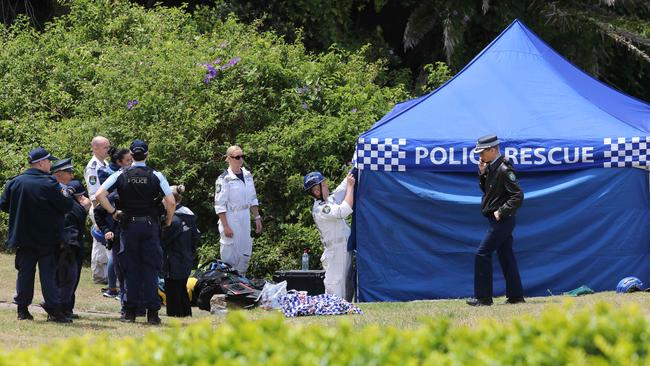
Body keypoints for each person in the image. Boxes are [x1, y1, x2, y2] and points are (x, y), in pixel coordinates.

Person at [95, 139, 175, 325]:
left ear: (131, 155)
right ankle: (152, 314)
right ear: (147, 155)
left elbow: (99, 195)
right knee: (151, 269)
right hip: (150, 227)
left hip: (128, 227)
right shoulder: (156, 175)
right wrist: (168, 220)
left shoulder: (121, 174)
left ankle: (130, 312)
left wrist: (114, 212)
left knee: (130, 269)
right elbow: (171, 202)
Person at [0, 148, 73, 322]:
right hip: (47, 237)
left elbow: (3, 205)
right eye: (48, 162)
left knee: (25, 272)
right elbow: (66, 206)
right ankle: (53, 308)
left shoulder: (15, 182)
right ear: (41, 163)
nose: (50, 165)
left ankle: (22, 309)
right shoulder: (50, 184)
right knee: (48, 273)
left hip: (23, 236)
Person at [466, 135, 525, 306]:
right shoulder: (493, 167)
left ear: (493, 150)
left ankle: (483, 298)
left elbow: (518, 195)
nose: (480, 156)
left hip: (502, 220)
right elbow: (488, 191)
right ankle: (516, 296)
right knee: (506, 256)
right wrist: (483, 174)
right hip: (499, 220)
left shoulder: (504, 169)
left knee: (482, 253)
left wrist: (501, 212)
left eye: (482, 152)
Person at [303, 171, 356, 299]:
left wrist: (354, 168)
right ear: (317, 191)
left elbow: (341, 188)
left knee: (346, 286)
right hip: (335, 252)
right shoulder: (321, 209)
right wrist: (350, 187)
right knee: (336, 288)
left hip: (342, 248)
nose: (327, 186)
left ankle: (345, 313)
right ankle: (333, 316)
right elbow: (344, 210)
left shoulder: (329, 200)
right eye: (324, 185)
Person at [213, 145, 262, 276]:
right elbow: (220, 205)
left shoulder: (247, 175)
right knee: (230, 252)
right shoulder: (224, 178)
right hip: (230, 217)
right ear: (229, 158)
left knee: (245, 250)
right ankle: (228, 283)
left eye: (242, 157)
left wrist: (257, 217)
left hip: (245, 216)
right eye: (237, 157)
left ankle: (242, 281)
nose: (240, 160)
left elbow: (252, 198)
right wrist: (226, 226)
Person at [95, 147, 132, 299]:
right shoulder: (111, 175)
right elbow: (100, 199)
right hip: (114, 217)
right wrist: (113, 213)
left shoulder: (127, 174)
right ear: (119, 161)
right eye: (129, 160)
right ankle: (115, 289)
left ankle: (123, 291)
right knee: (115, 256)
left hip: (125, 221)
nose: (132, 163)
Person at [161, 185, 200, 317]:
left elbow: (163, 240)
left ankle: (174, 315)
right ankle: (185, 313)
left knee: (172, 290)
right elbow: (196, 237)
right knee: (182, 288)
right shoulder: (189, 216)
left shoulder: (174, 219)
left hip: (173, 259)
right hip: (186, 258)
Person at [84, 135, 112, 284]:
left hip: (105, 207)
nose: (108, 150)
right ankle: (101, 275)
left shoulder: (104, 163)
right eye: (105, 147)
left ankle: (101, 275)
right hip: (99, 207)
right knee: (103, 241)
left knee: (100, 243)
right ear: (95, 148)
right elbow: (94, 194)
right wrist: (98, 215)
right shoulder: (93, 167)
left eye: (108, 147)